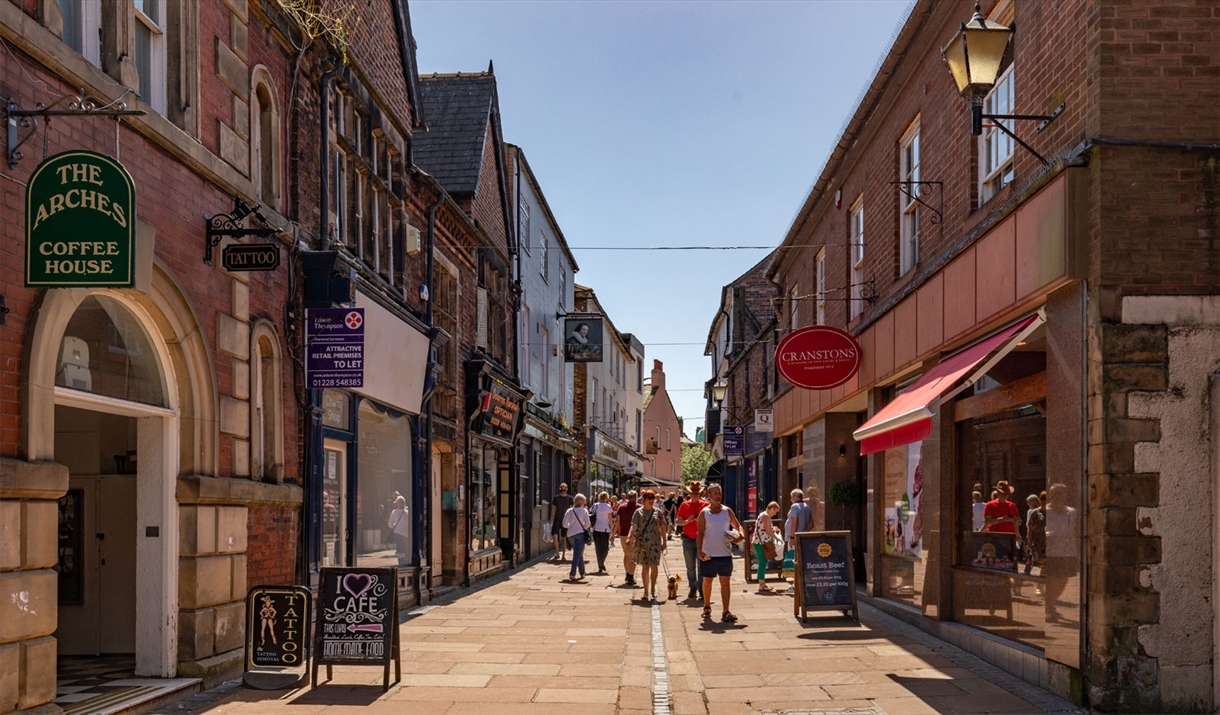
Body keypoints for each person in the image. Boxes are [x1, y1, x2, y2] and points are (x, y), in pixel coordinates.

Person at [697, 483, 744, 622]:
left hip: (725, 553)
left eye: (719, 493)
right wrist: (699, 550)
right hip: (709, 553)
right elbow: (699, 533)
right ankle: (706, 606)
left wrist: (740, 535)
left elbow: (737, 526)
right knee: (707, 581)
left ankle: (726, 611)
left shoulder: (727, 511)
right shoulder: (704, 513)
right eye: (715, 493)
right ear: (709, 496)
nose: (718, 496)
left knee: (725, 581)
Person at [1043, 483, 1078, 622]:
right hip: (1051, 552)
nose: (1059, 497)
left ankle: (1050, 603)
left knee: (1063, 580)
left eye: (1061, 494)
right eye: (1056, 495)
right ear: (1051, 496)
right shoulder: (1045, 511)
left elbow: (1076, 530)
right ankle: (1050, 606)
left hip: (1067, 552)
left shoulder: (1072, 512)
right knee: (1052, 580)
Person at [628, 489, 667, 600]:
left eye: (653, 498)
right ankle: (645, 591)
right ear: (644, 499)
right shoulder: (638, 512)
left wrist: (665, 541)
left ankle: (653, 589)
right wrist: (630, 538)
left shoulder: (658, 512)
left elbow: (663, 527)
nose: (651, 500)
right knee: (645, 567)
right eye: (649, 498)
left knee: (654, 566)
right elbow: (634, 526)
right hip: (642, 543)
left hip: (655, 543)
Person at [675, 481, 710, 599]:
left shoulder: (705, 505)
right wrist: (686, 522)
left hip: (702, 540)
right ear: (690, 493)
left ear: (700, 494)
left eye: (697, 493)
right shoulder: (684, 505)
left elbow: (710, 522)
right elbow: (677, 521)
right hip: (688, 539)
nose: (695, 495)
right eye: (693, 493)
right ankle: (692, 587)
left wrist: (698, 521)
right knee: (690, 566)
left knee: (702, 565)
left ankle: (701, 588)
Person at [784, 488, 814, 594]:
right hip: (803, 537)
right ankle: (801, 583)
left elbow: (794, 522)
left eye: (792, 497)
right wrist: (804, 531)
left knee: (794, 561)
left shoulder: (795, 506)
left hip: (794, 538)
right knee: (800, 560)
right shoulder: (807, 507)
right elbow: (811, 525)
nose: (791, 499)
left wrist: (792, 537)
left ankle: (795, 585)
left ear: (796, 497)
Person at [752, 501, 782, 592]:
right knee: (762, 562)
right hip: (761, 542)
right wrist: (777, 538)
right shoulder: (766, 516)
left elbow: (765, 528)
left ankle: (762, 583)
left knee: (763, 562)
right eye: (775, 511)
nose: (775, 513)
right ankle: (761, 584)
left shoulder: (764, 515)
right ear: (771, 508)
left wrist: (774, 529)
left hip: (760, 541)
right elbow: (768, 531)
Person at [561, 494, 591, 581]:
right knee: (577, 554)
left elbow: (564, 524)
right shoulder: (584, 511)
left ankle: (582, 572)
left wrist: (571, 526)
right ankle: (572, 573)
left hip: (570, 535)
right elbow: (588, 524)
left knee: (578, 553)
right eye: (584, 501)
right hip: (580, 534)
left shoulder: (569, 511)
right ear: (581, 502)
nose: (585, 503)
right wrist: (582, 527)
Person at [615, 490, 641, 585]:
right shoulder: (639, 508)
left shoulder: (621, 507)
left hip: (623, 534)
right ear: (636, 497)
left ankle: (627, 573)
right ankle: (631, 575)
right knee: (633, 555)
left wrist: (613, 533)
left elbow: (617, 521)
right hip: (635, 534)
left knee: (626, 554)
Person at [590, 492, 616, 573]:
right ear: (607, 498)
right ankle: (602, 561)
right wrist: (612, 531)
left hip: (596, 528)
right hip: (605, 529)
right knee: (605, 547)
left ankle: (600, 565)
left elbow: (591, 514)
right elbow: (610, 520)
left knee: (598, 548)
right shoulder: (608, 506)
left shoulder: (595, 505)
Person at [1023, 493, 1046, 576]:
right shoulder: (1034, 512)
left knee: (1044, 560)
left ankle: (1043, 576)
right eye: (1042, 500)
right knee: (1033, 555)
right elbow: (1029, 526)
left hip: (1046, 540)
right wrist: (1029, 540)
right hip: (1037, 539)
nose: (1044, 502)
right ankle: (1028, 570)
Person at [549, 483, 573, 561]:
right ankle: (557, 553)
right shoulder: (556, 498)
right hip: (557, 519)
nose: (563, 490)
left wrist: (571, 519)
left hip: (565, 519)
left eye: (564, 488)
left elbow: (571, 509)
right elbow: (553, 508)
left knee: (564, 538)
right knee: (555, 536)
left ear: (567, 489)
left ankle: (563, 554)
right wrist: (551, 518)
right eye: (562, 488)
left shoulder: (569, 498)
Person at [387, 495, 411, 565]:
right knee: (406, 549)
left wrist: (394, 526)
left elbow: (390, 525)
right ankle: (406, 562)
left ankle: (401, 563)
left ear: (398, 503)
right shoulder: (407, 513)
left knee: (399, 550)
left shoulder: (394, 512)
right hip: (406, 534)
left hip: (397, 533)